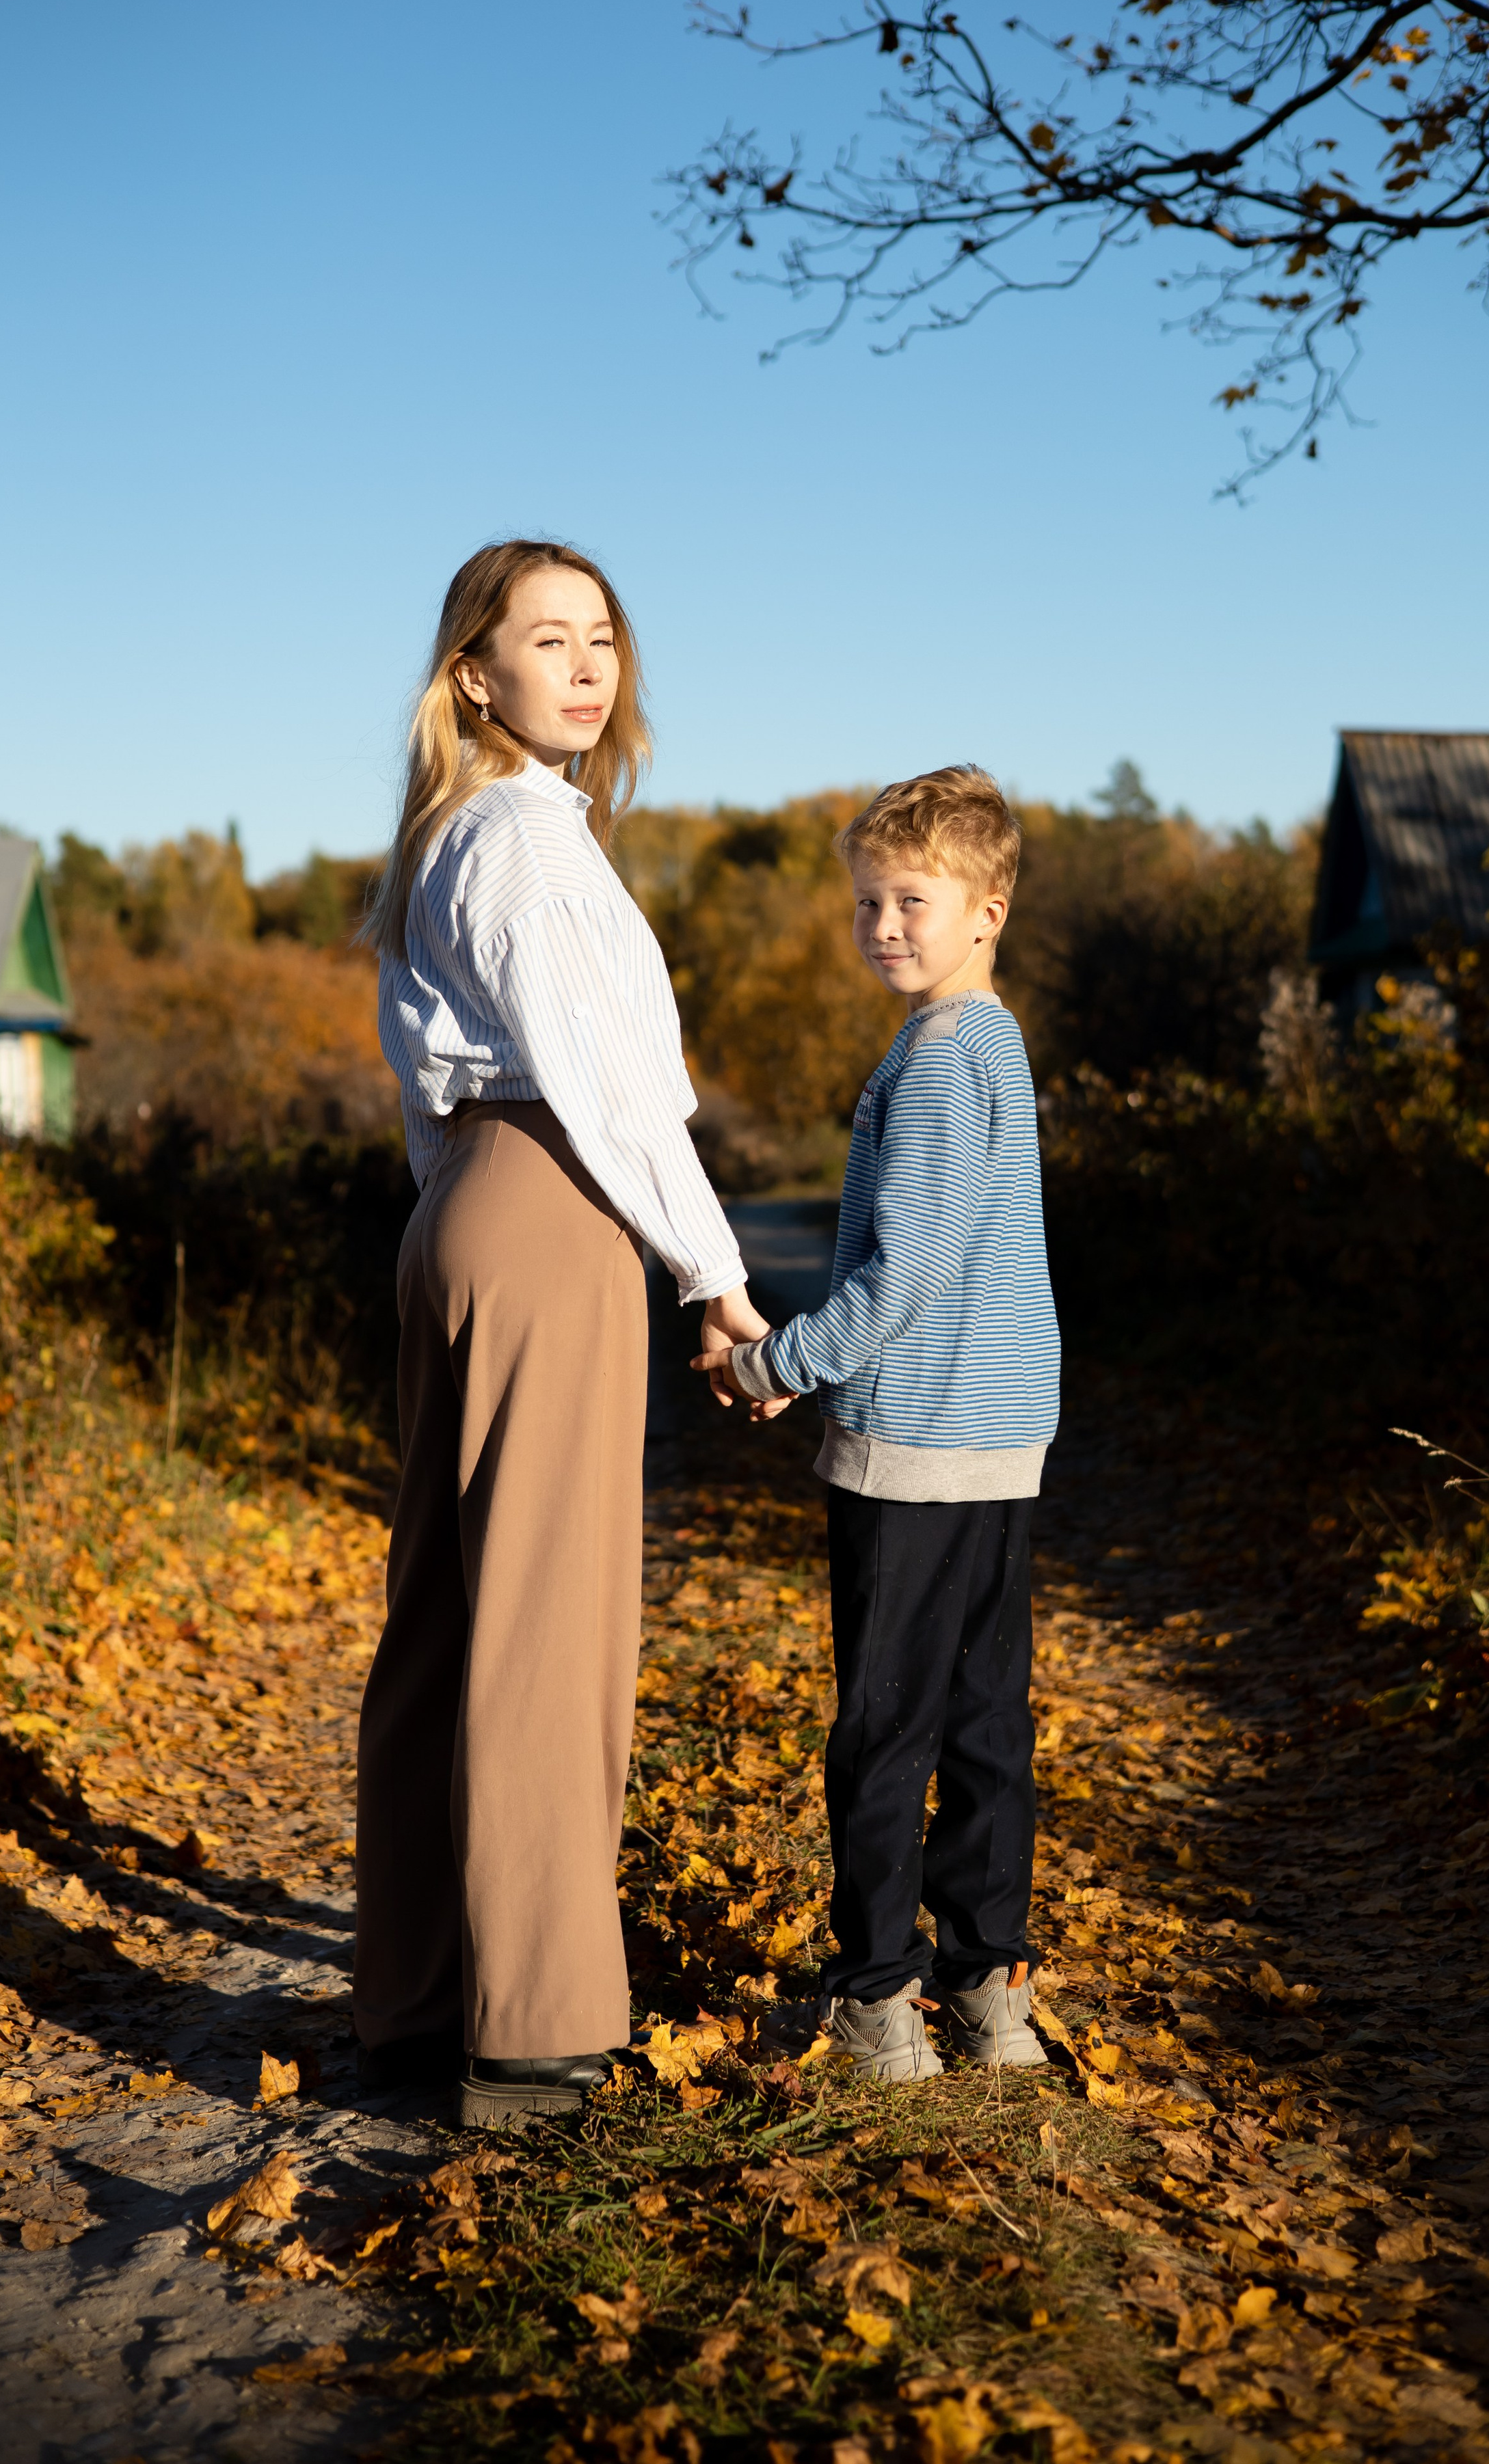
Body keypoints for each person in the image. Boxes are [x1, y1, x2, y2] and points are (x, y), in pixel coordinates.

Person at [360, 538, 770, 2126]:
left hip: (464, 1206)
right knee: (546, 1624)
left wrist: (456, 1206)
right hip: (549, 1200)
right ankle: (533, 2029)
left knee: (447, 1619)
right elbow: (609, 1093)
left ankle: (410, 2005)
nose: (589, 665)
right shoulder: (529, 843)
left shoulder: (445, 836)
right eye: (549, 639)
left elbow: (421, 1088)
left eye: (601, 636)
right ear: (476, 671)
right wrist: (712, 1277)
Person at [698, 767, 1060, 2083]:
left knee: (888, 1726)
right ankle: (985, 1989)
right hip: (1002, 1432)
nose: (885, 925)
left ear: (988, 910)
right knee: (982, 1723)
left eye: (914, 899)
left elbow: (902, 1278)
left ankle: (874, 2002)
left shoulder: (934, 1062)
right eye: (866, 903)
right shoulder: (998, 1043)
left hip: (916, 1440)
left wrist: (776, 1363)